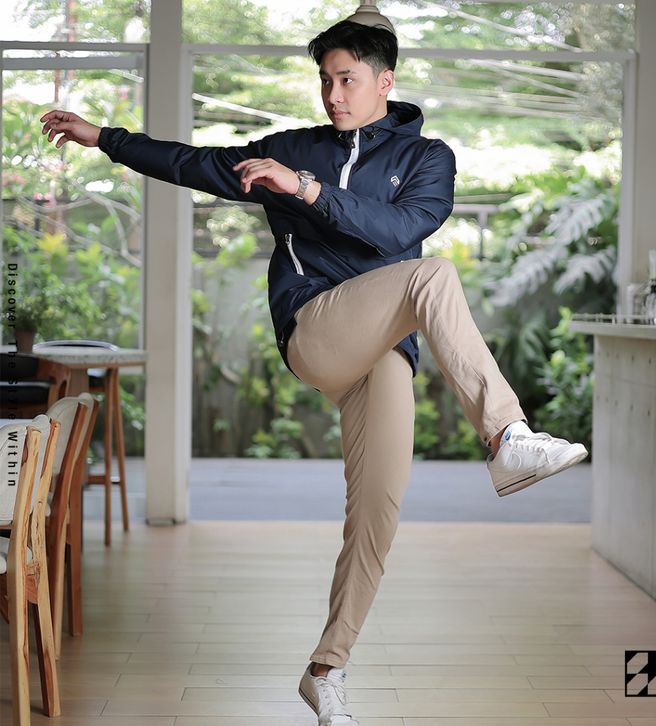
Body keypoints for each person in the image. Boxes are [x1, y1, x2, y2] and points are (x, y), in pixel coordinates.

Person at [40, 18, 587, 726]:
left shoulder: (427, 159)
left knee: (377, 515)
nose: (332, 94)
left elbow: (398, 231)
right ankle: (507, 436)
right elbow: (192, 162)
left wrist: (305, 190)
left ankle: (326, 670)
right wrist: (103, 138)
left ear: (385, 82)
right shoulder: (293, 149)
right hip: (315, 328)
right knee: (434, 277)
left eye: (346, 80)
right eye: (325, 80)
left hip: (384, 352)